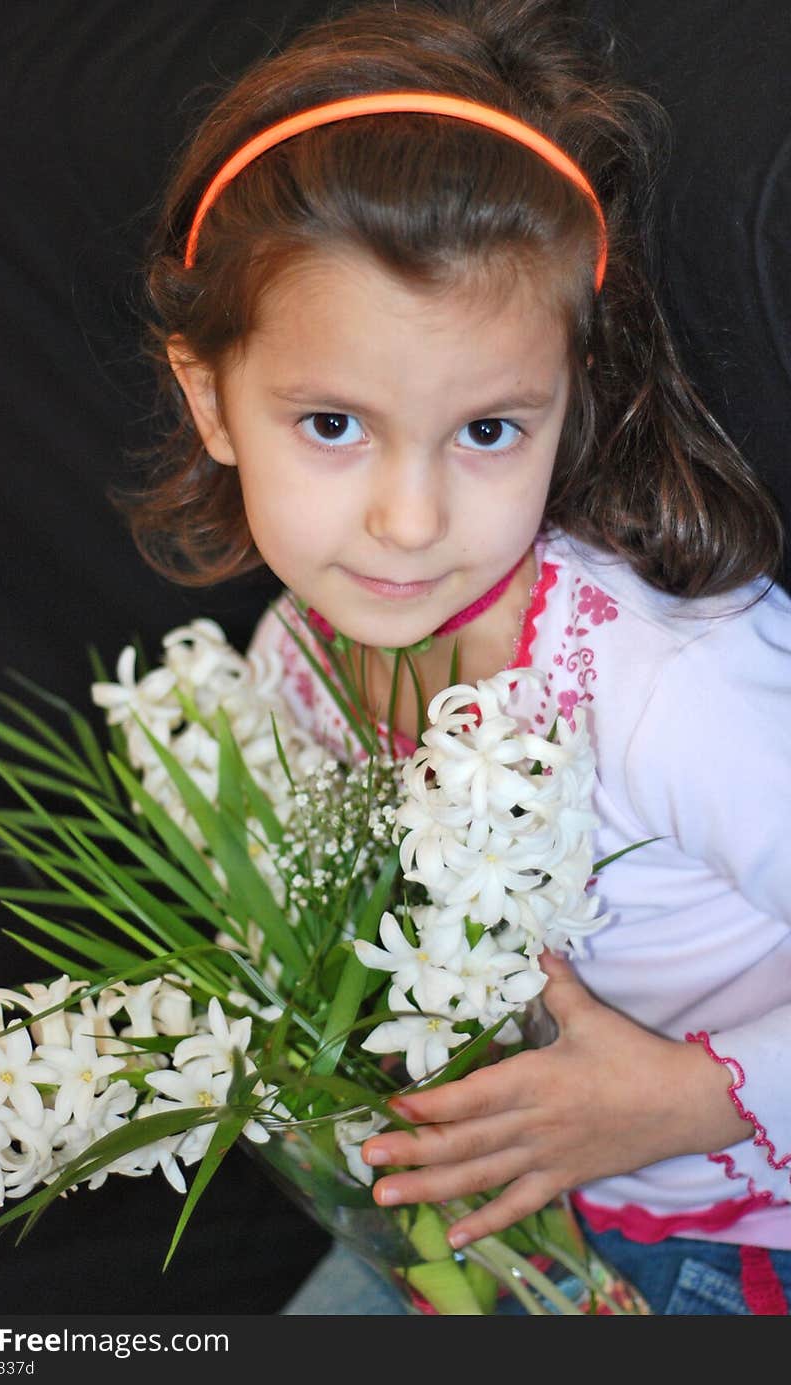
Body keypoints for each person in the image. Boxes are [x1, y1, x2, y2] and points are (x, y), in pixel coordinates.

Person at [126, 0, 791, 1315]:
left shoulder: (666, 685)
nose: (411, 519)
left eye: (488, 430)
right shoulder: (290, 671)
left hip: (733, 1233)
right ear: (209, 399)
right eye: (332, 422)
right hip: (509, 1224)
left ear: (569, 397)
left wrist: (682, 1095)